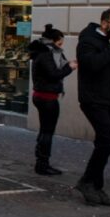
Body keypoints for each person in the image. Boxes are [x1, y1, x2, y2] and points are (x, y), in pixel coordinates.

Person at [75, 8, 110, 206]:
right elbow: (92, 65)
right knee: (108, 141)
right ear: (104, 23)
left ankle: (96, 186)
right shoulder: (88, 41)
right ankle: (87, 181)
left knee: (103, 143)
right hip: (94, 100)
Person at [28, 24, 77, 175]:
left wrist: (68, 64)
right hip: (47, 97)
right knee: (48, 131)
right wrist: (70, 68)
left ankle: (41, 161)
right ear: (52, 42)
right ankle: (43, 164)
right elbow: (54, 74)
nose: (61, 47)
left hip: (41, 96)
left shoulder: (42, 52)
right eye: (59, 44)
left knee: (44, 130)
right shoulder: (46, 55)